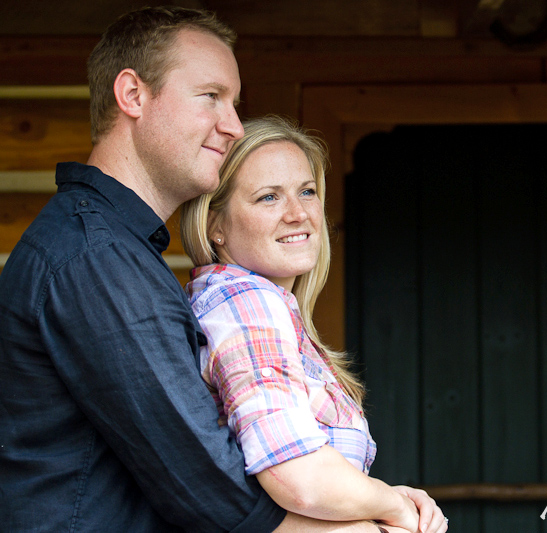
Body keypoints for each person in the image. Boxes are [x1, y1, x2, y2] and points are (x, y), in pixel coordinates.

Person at [0, 6, 415, 533]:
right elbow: (202, 479)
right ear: (133, 96)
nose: (233, 125)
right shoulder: (96, 258)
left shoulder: (119, 251)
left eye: (235, 103)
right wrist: (376, 521)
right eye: (211, 97)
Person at [179, 116, 448, 533]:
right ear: (215, 225)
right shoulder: (248, 302)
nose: (298, 213)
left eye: (307, 192)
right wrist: (390, 507)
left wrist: (374, 498)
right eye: (269, 197)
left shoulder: (264, 307)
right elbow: (298, 476)